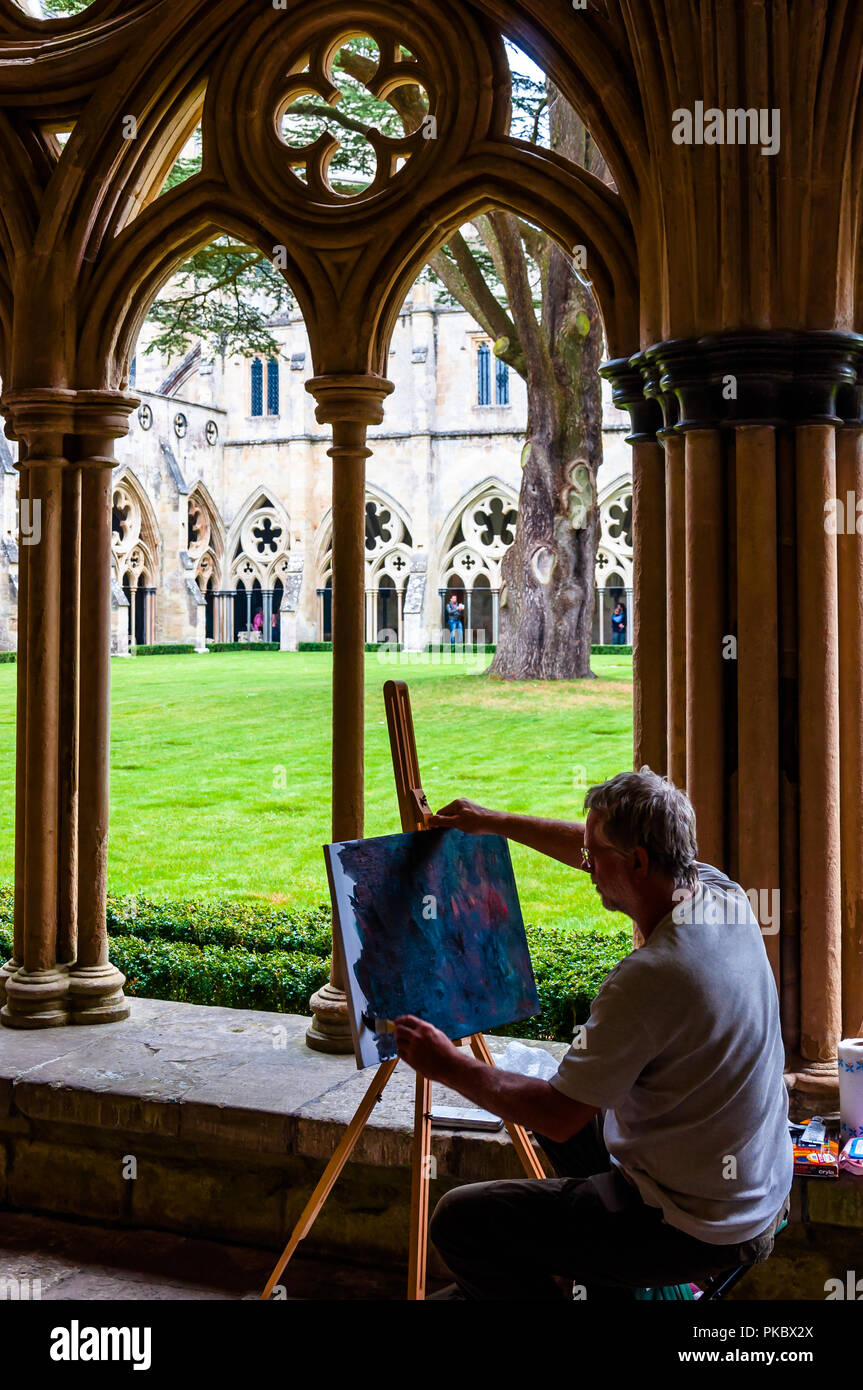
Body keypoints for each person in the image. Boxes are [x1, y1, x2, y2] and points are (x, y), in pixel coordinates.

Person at [394, 769, 792, 1300]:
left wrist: (448, 1064)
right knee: (562, 1115)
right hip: (755, 1188)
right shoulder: (722, 893)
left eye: (594, 855)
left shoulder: (653, 976)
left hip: (696, 1227)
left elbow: (559, 1116)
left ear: (638, 862)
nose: (586, 867)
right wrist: (495, 822)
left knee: (460, 1219)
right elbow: (599, 848)